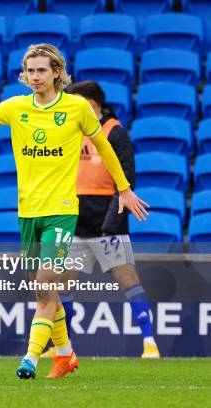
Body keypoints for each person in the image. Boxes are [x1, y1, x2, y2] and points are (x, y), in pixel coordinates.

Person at [0, 43, 148, 379]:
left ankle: (30, 358)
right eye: (30, 71)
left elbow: (104, 146)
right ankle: (66, 353)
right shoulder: (16, 107)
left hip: (61, 211)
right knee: (43, 288)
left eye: (42, 70)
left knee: (44, 281)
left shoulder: (76, 109)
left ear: (57, 72)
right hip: (28, 213)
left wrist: (124, 188)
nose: (35, 77)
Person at [41, 80, 159, 359]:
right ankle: (62, 347)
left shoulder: (114, 131)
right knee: (63, 286)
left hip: (108, 224)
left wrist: (112, 223)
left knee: (129, 279)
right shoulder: (71, 129)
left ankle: (149, 342)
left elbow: (126, 179)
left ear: (90, 104)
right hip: (75, 224)